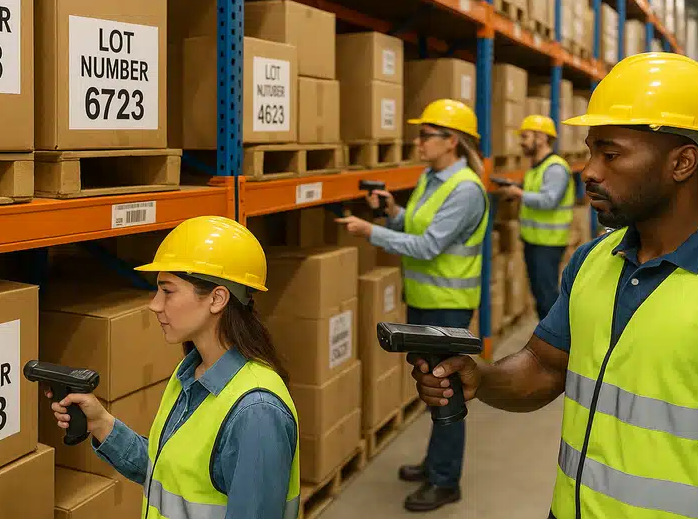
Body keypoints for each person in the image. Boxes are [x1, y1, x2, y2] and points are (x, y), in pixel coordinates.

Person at [406, 53, 698, 519]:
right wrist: (481, 377)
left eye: (611, 153)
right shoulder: (593, 260)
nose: (589, 171)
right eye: (590, 150)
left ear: (682, 162)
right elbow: (543, 366)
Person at [45, 215, 301, 519]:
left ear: (217, 298)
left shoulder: (256, 413)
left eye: (167, 290)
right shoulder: (191, 374)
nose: (154, 304)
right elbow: (167, 472)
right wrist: (100, 422)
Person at [336, 98, 488, 512]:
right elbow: (417, 225)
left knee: (447, 391)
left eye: (425, 135)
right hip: (424, 299)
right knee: (431, 387)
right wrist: (392, 212)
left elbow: (427, 245)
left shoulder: (466, 190)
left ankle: (445, 480)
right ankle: (434, 462)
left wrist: (371, 231)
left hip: (448, 306)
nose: (417, 141)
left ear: (451, 140)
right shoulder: (432, 178)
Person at [497, 114, 575, 321]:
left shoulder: (555, 168)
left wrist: (519, 194)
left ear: (541, 138)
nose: (521, 142)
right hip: (533, 240)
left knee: (547, 296)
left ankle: (556, 345)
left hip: (548, 243)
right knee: (540, 295)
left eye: (525, 137)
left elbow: (550, 200)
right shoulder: (536, 168)